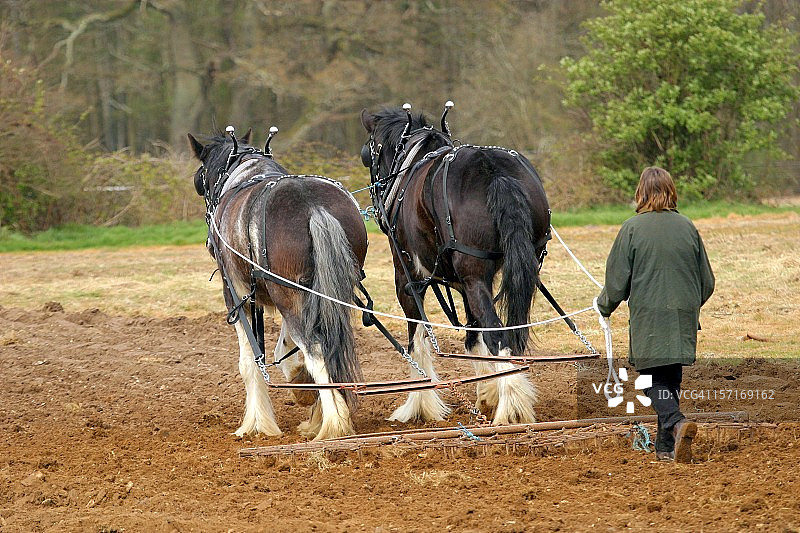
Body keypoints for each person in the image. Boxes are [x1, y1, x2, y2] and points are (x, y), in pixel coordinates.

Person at [595, 167, 715, 463]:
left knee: (649, 379)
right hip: (683, 314)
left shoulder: (632, 228)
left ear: (641, 193)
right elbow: (707, 282)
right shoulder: (688, 226)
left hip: (649, 315)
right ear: (672, 191)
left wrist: (603, 306)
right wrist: (688, 305)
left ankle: (675, 423)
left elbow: (616, 283)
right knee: (670, 378)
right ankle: (664, 448)